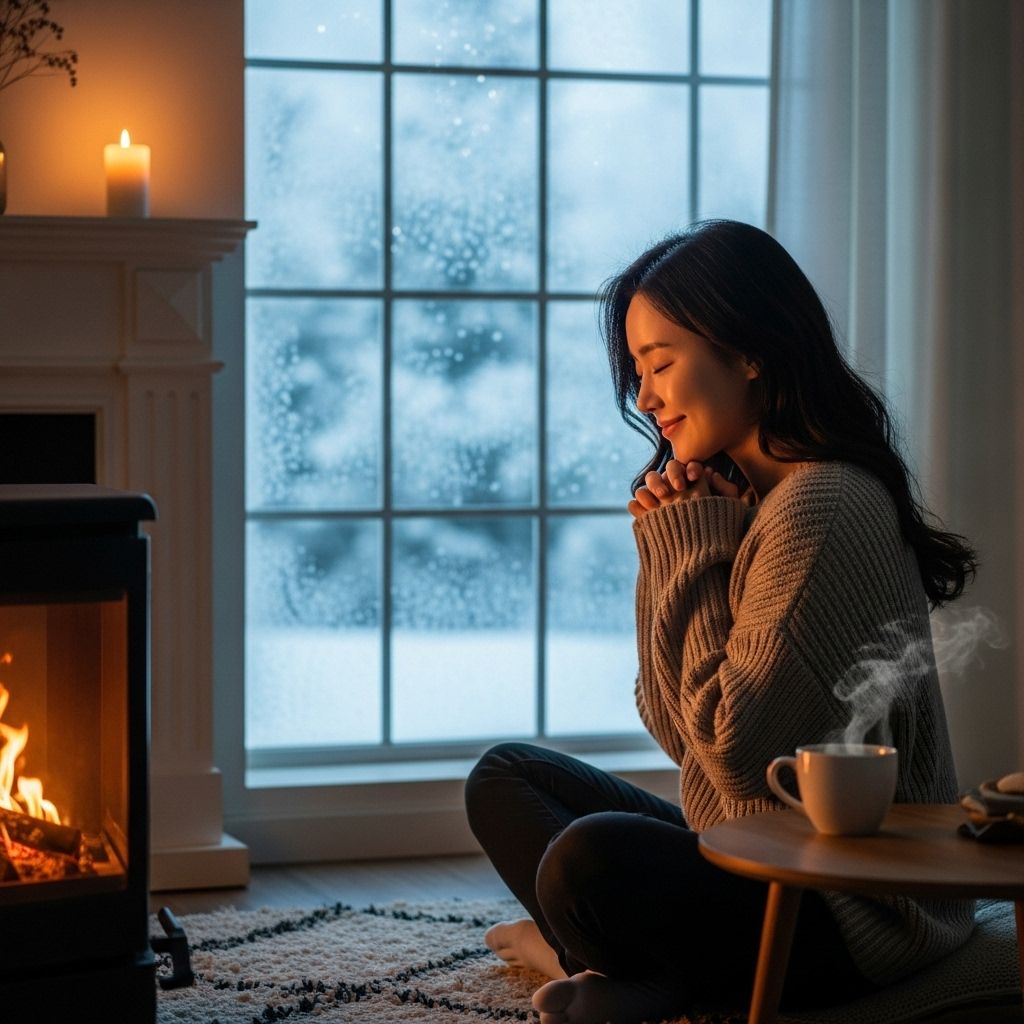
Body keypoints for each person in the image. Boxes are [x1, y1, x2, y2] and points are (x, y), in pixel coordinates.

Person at [464, 220, 979, 1024]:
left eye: (661, 363)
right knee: (507, 777)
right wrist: (674, 553)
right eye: (637, 371)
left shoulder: (820, 505)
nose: (645, 397)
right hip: (762, 853)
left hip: (847, 912)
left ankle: (618, 966)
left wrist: (688, 552)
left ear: (749, 351)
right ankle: (633, 971)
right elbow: (680, 733)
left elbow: (733, 754)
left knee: (590, 858)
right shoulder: (762, 503)